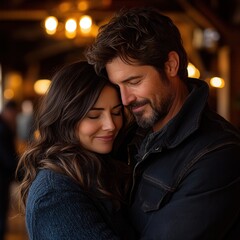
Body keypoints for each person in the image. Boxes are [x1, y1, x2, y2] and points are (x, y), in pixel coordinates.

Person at [86, 7, 240, 240]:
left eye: (134, 81)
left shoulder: (218, 154)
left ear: (170, 65)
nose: (125, 99)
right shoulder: (126, 131)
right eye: (118, 86)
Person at [16, 61, 135, 240]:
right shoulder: (55, 194)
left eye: (117, 113)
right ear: (65, 118)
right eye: (94, 116)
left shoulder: (99, 167)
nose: (111, 125)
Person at [0, 100, 19, 240]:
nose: (15, 117)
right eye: (14, 114)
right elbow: (7, 157)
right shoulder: (3, 128)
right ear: (9, 111)